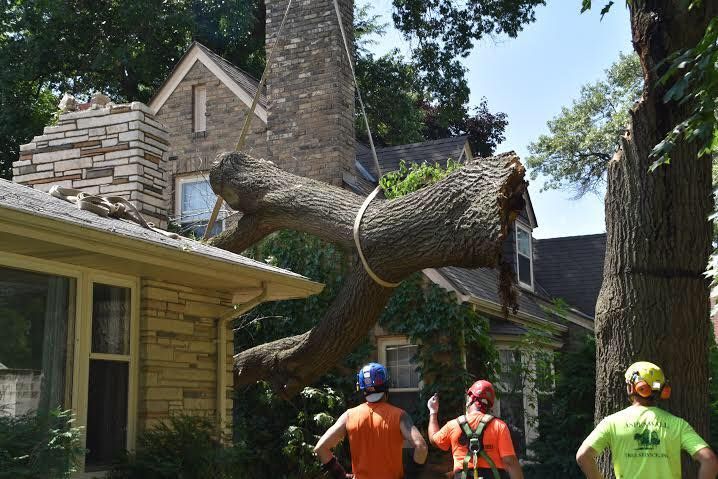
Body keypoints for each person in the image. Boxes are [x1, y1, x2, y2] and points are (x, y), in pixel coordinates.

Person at [576, 361, 718, 479]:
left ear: (632, 387)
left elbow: (583, 456)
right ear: (661, 390)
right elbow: (709, 460)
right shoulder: (678, 424)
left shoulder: (611, 423)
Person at [314, 362, 428, 479]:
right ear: (386, 386)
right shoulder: (399, 415)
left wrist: (341, 475)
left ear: (362, 388)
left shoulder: (349, 416)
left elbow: (321, 448)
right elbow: (421, 447)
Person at [427, 380, 524, 479]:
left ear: (470, 399)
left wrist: (433, 411)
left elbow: (433, 439)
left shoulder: (453, 425)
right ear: (489, 404)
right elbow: (510, 462)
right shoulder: (499, 426)